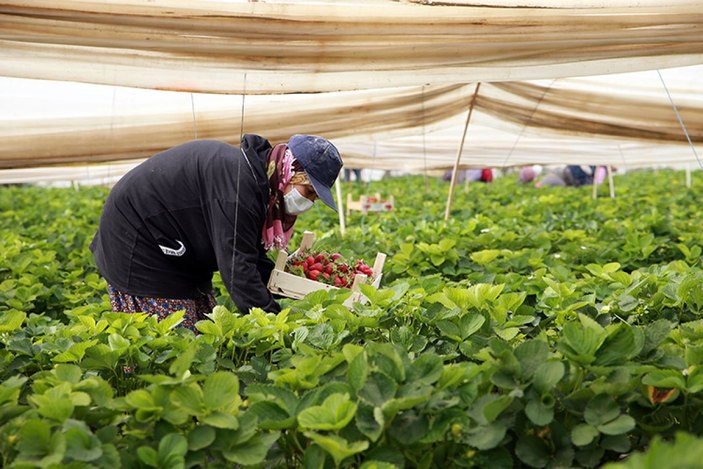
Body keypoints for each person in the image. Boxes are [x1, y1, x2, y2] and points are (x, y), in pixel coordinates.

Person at [90, 134, 343, 330]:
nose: (310, 202)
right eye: (309, 191)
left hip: (179, 248)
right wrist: (277, 324)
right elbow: (237, 268)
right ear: (289, 171)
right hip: (137, 244)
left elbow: (249, 256)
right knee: (174, 342)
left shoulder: (258, 184)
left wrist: (293, 285)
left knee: (203, 327)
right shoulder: (240, 188)